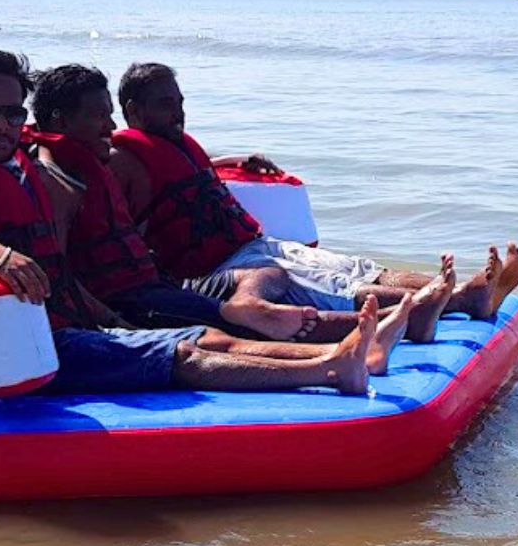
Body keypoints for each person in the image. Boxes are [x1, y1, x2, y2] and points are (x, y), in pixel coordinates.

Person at [0, 46, 381, 395]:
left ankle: (346, 351)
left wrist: (107, 319)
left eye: (12, 113)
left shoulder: (21, 172)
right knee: (189, 349)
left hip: (82, 319)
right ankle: (334, 363)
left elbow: (59, 269)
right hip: (37, 345)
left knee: (221, 321)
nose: (3, 124)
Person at [25, 62, 455, 373]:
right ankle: (373, 332)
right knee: (237, 325)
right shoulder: (58, 182)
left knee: (259, 294)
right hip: (129, 300)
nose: (108, 126)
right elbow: (60, 270)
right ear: (61, 120)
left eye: (109, 115)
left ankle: (399, 317)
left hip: (157, 282)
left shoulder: (90, 168)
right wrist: (107, 318)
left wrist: (232, 159)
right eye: (99, 116)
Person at [109, 62, 518, 326]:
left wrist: (238, 159)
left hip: (254, 245)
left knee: (355, 267)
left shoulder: (174, 143)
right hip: (219, 268)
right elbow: (117, 226)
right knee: (329, 286)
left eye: (180, 102)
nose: (179, 112)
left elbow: (189, 177)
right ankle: (461, 300)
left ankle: (466, 293)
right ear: (133, 110)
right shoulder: (121, 161)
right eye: (166, 104)